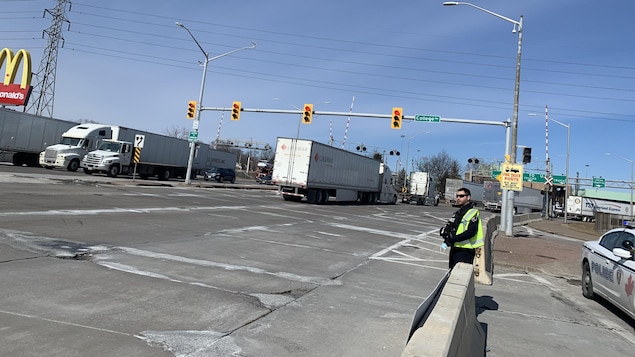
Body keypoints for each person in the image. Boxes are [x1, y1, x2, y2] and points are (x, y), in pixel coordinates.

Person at [440, 187, 484, 269]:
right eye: (457, 196)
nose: (458, 198)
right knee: (452, 273)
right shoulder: (458, 212)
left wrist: (454, 238)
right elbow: (452, 227)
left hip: (465, 251)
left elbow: (471, 232)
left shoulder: (473, 213)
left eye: (461, 196)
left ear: (468, 197)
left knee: (460, 276)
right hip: (455, 249)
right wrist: (445, 233)